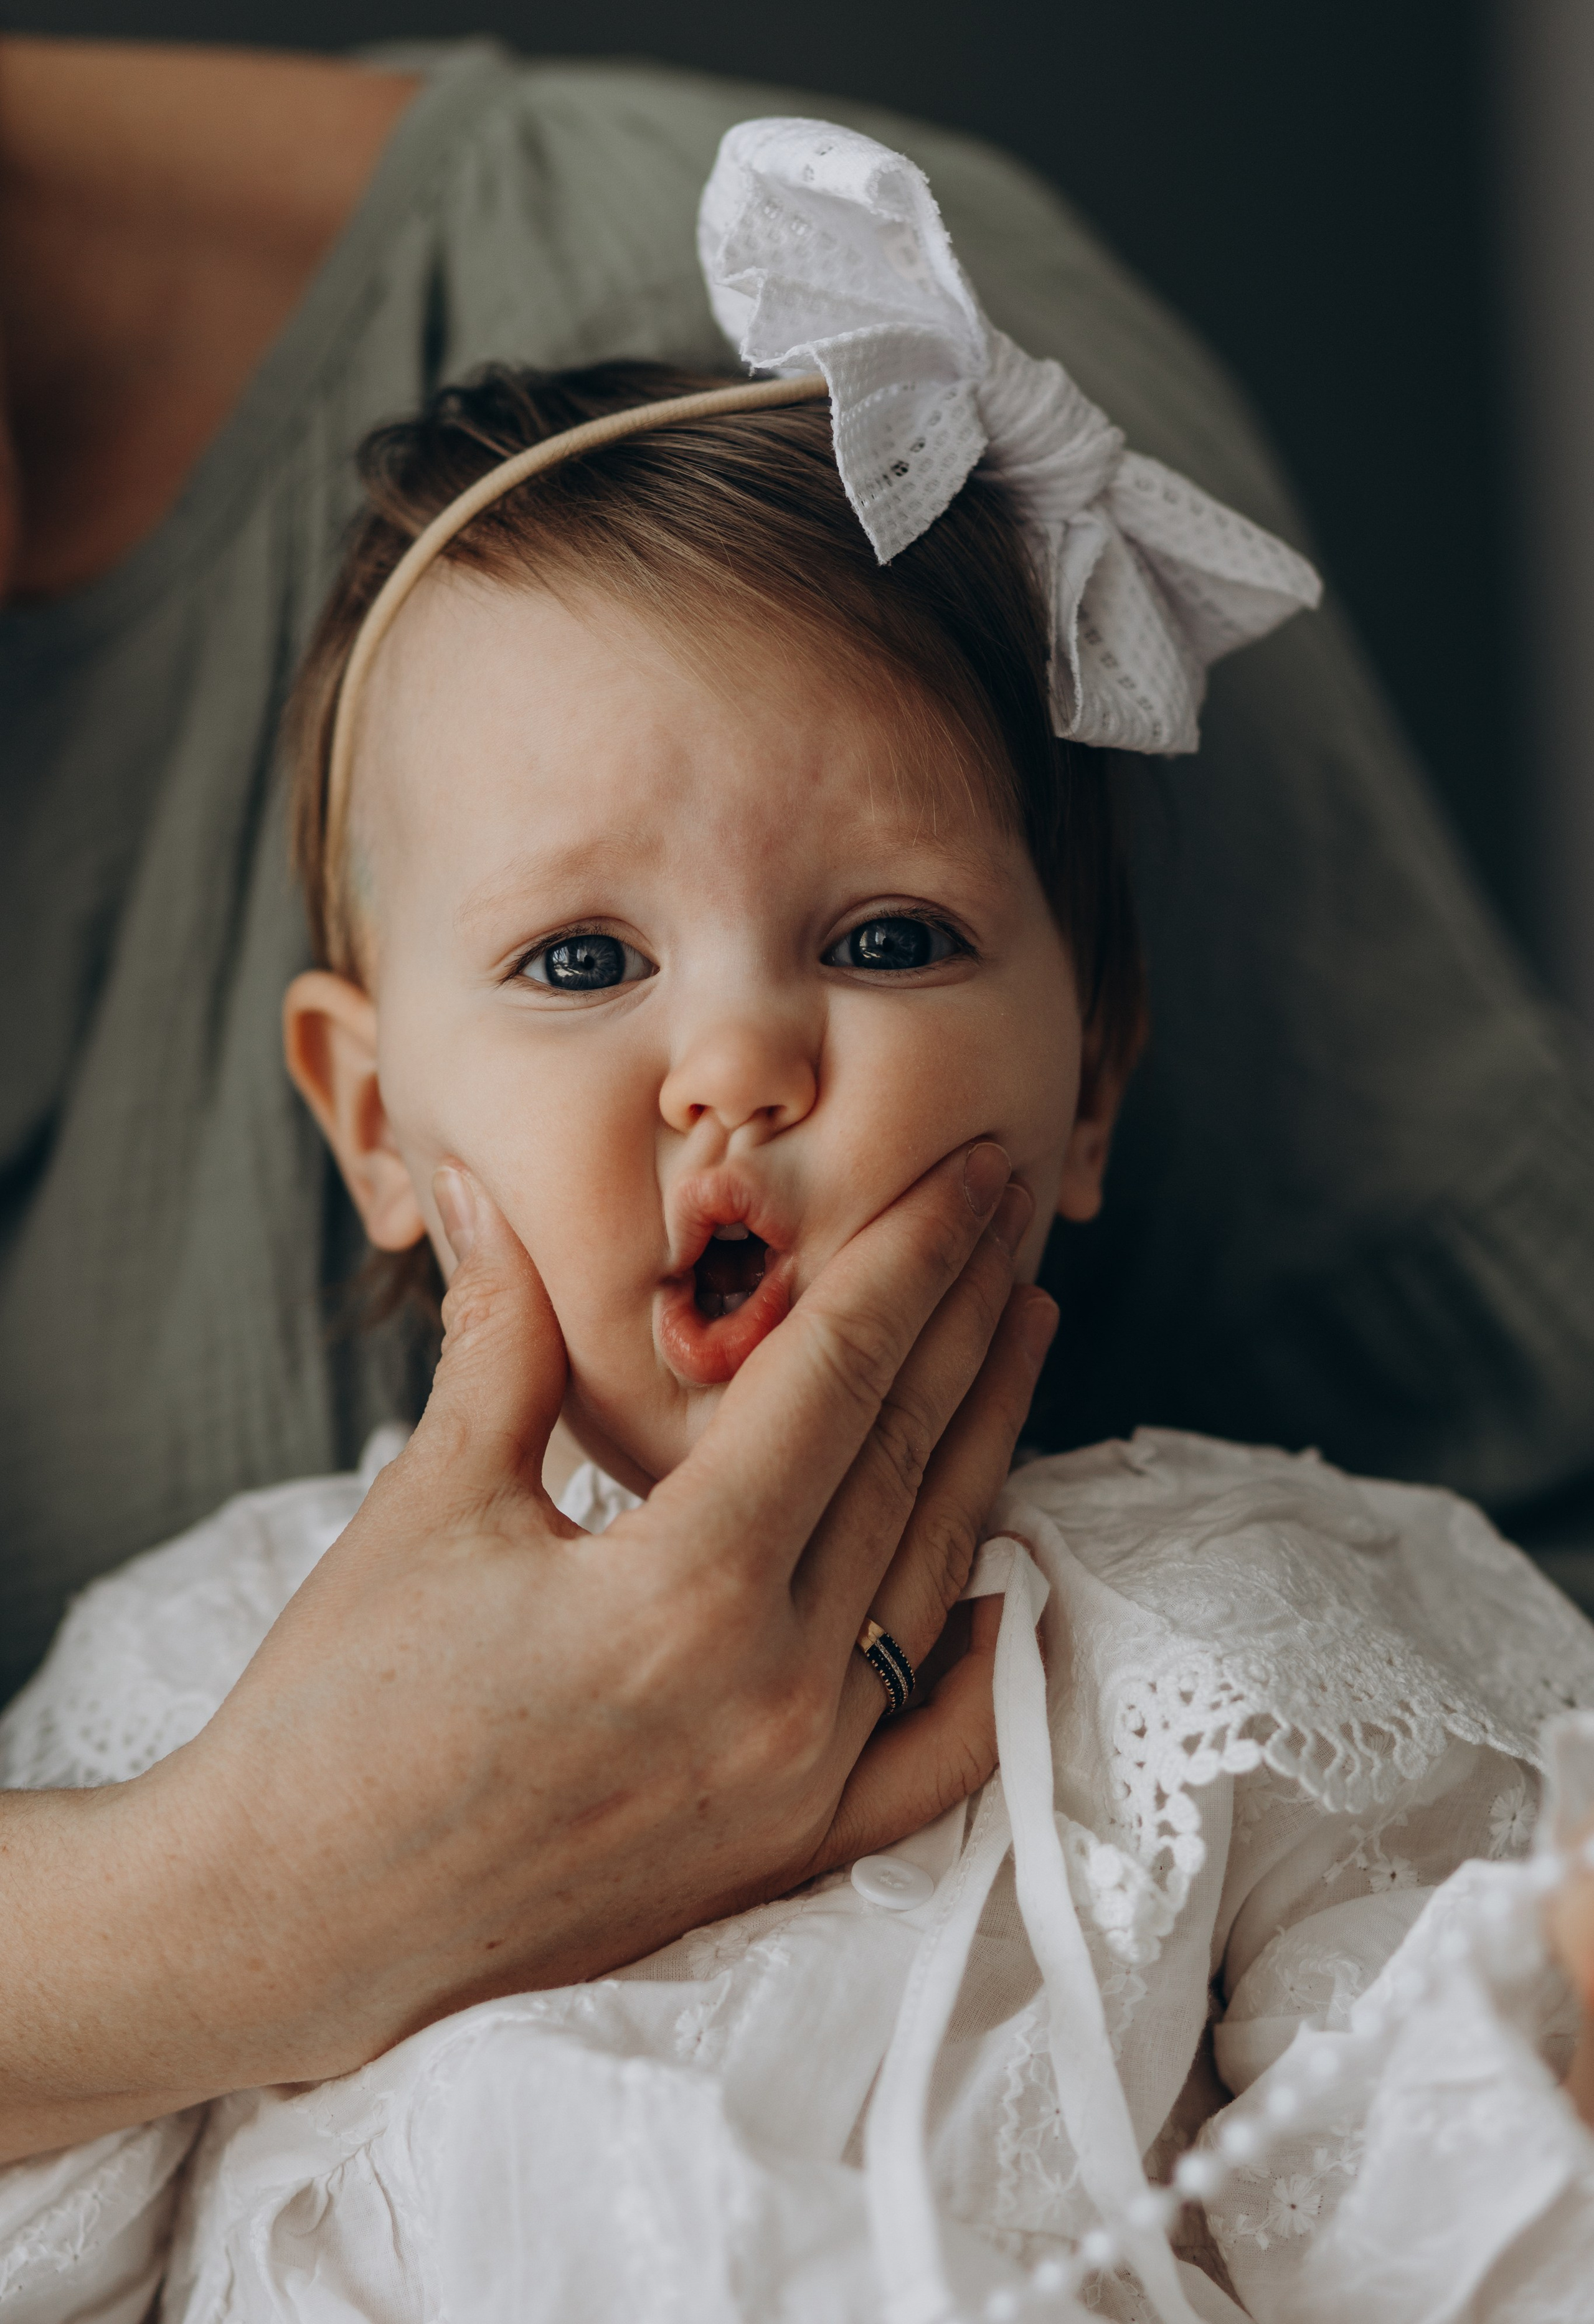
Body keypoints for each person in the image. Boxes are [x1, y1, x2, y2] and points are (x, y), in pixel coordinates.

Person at [3, 118, 1591, 2324]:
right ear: (373, 1116)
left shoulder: (1243, 1643)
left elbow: (1447, 2223)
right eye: (581, 962)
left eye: (887, 936)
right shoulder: (188, 1687)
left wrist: (1552, 2015)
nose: (741, 1061)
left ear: (1096, 1076)